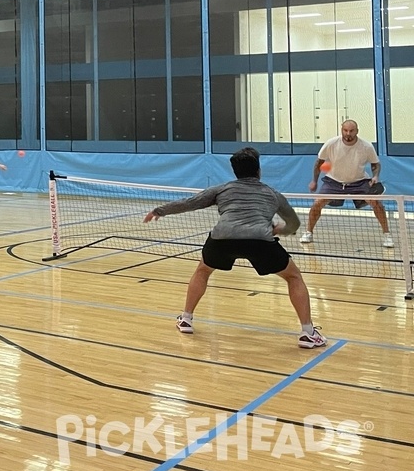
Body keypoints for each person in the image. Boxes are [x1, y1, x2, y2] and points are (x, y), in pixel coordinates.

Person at [144, 146, 326, 349]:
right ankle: (307, 332)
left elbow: (190, 203)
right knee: (293, 277)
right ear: (258, 170)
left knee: (203, 271)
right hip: (259, 240)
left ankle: (186, 319)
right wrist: (278, 230)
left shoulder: (222, 189)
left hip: (223, 239)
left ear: (235, 171)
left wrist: (159, 210)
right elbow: (293, 224)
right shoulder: (272, 194)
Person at [301, 119, 392, 248]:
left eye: (351, 131)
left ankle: (387, 235)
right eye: (345, 130)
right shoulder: (331, 144)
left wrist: (375, 176)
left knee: (376, 203)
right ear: (341, 130)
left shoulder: (366, 146)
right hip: (334, 181)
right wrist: (314, 181)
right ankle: (308, 232)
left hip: (359, 181)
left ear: (357, 131)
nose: (348, 133)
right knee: (317, 203)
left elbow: (375, 164)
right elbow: (319, 163)